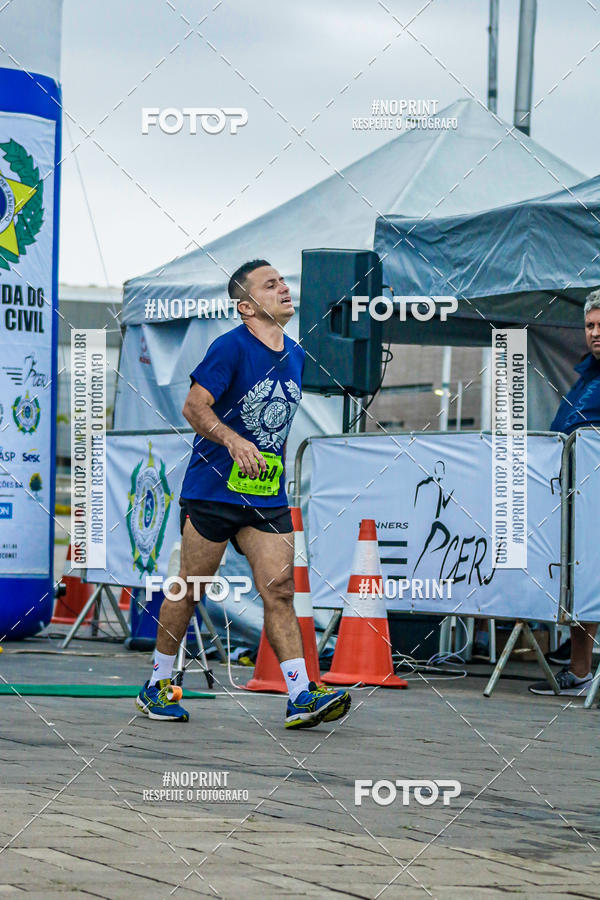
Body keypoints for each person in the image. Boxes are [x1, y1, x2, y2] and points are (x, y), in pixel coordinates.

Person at [136, 259, 351, 726]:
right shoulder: (229, 348)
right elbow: (194, 407)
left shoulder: (294, 354)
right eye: (270, 285)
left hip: (265, 495)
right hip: (213, 491)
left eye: (284, 282)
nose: (284, 289)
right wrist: (232, 440)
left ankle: (301, 695)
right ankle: (157, 685)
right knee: (190, 587)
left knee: (280, 589)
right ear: (246, 306)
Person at [529, 289, 600, 696]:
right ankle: (579, 670)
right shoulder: (588, 372)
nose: (594, 332)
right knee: (581, 576)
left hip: (591, 493)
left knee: (587, 577)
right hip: (578, 493)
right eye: (590, 325)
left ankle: (579, 670)